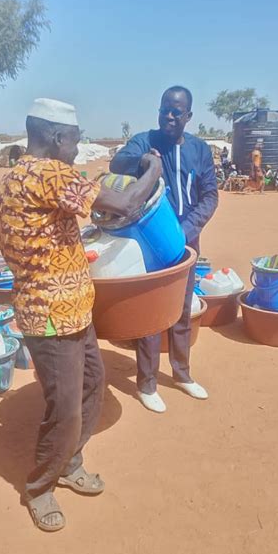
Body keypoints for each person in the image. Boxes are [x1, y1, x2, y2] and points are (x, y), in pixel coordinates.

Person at [0, 98, 162, 531]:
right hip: (51, 313)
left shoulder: (16, 176)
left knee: (92, 382)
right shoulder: (49, 172)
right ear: (55, 137)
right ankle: (40, 486)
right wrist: (153, 172)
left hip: (71, 308)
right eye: (74, 139)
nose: (76, 146)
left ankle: (69, 462)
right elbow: (123, 207)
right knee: (65, 407)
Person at [110, 86, 218, 413]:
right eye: (164, 110)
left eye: (176, 112)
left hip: (187, 243)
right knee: (153, 315)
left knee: (182, 310)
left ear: (188, 116)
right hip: (152, 244)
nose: (169, 117)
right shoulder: (146, 141)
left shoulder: (200, 150)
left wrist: (185, 232)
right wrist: (143, 160)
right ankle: (147, 384)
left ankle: (182, 374)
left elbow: (210, 196)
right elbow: (118, 162)